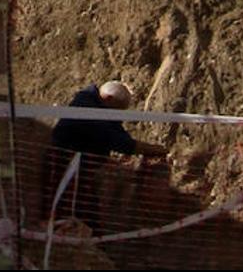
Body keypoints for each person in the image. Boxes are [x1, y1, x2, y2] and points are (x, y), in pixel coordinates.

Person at [43, 81, 167, 232]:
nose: (118, 117)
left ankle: (91, 238)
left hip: (78, 169)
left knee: (85, 209)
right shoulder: (89, 110)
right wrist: (156, 150)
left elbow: (116, 131)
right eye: (118, 111)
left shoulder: (98, 107)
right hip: (66, 166)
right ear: (108, 99)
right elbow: (119, 141)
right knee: (67, 207)